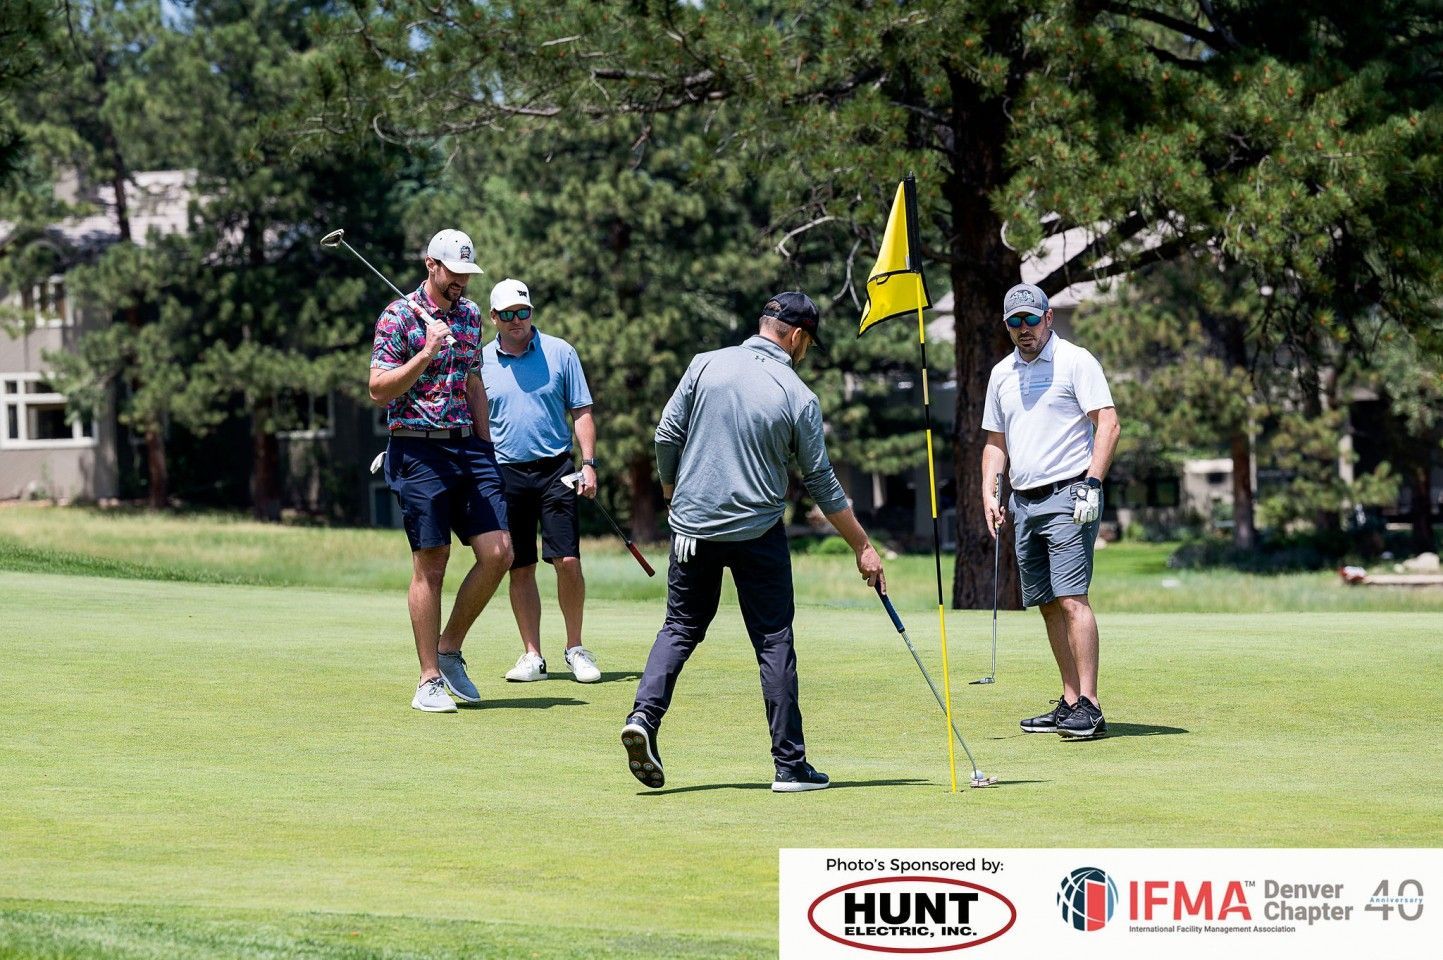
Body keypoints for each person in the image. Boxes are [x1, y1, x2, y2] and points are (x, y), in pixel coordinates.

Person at [621, 292, 885, 793]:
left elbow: (665, 435)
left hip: (691, 527)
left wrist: (672, 490)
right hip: (757, 532)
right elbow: (823, 484)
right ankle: (789, 766)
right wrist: (862, 546)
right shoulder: (798, 395)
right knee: (772, 639)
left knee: (679, 626)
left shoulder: (704, 365)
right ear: (798, 336)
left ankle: (643, 718)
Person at [370, 229, 514, 713]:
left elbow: (473, 381)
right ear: (431, 265)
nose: (461, 284)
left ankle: (448, 649)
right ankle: (427, 678)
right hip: (417, 450)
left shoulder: (471, 316)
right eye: (454, 274)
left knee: (499, 552)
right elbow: (378, 389)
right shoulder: (397, 317)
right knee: (431, 563)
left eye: (467, 275)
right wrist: (427, 350)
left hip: (467, 447)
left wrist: (487, 444)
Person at [980, 282, 1121, 739]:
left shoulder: (1075, 361)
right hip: (1023, 500)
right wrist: (991, 493)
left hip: (1069, 494)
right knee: (1045, 604)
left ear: (1048, 318)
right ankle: (1070, 700)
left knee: (1072, 598)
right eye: (1014, 322)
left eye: (1031, 319)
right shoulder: (1001, 374)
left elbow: (1108, 424)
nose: (1024, 330)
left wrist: (1093, 483)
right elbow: (995, 444)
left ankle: (1092, 706)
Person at [481, 278, 602, 684]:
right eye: (508, 315)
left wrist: (589, 464)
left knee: (566, 559)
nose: (517, 321)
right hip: (504, 472)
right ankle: (532, 655)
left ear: (531, 311)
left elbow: (581, 411)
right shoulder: (480, 362)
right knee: (520, 566)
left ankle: (576, 647)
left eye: (524, 312)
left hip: (557, 469)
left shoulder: (560, 352)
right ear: (494, 318)